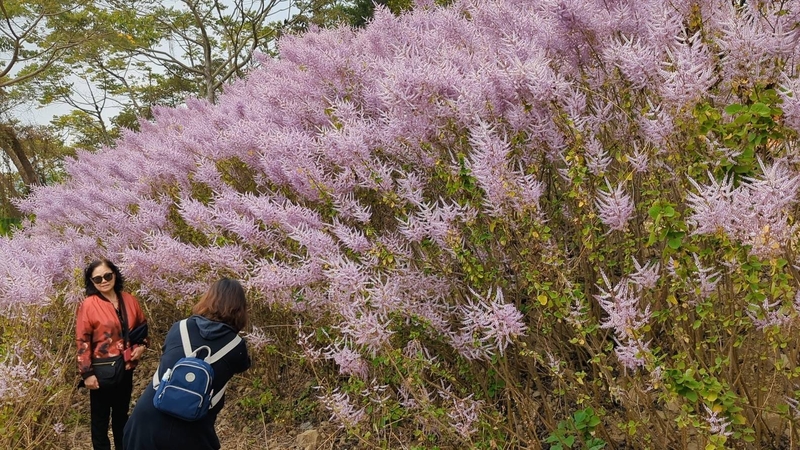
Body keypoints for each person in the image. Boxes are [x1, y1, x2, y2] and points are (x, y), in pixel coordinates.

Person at [123, 278, 251, 450]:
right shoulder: (237, 346)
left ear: (208, 299)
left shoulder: (178, 328)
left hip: (146, 422)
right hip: (193, 429)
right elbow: (243, 365)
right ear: (240, 309)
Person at [77, 259, 149, 450]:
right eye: (97, 279)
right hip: (101, 371)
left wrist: (141, 347)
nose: (103, 281)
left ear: (115, 274)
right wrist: (87, 374)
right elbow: (82, 340)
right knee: (99, 421)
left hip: (126, 367)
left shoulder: (129, 299)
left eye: (107, 276)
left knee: (121, 417)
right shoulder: (89, 304)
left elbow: (142, 329)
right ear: (92, 282)